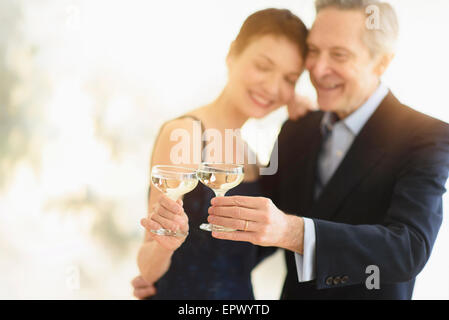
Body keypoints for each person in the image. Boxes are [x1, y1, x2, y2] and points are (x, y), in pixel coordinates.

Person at [206, 0, 449, 299]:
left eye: (339, 55)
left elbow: (408, 249)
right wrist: (179, 263)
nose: (318, 70)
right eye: (314, 50)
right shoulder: (297, 128)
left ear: (382, 62)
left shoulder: (426, 136)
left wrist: (292, 232)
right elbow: (259, 231)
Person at [135, 8, 310, 299]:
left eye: (289, 79)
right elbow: (147, 266)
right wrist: (166, 244)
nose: (272, 87)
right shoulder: (188, 134)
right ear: (232, 55)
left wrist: (308, 123)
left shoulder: (252, 157)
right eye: (263, 66)